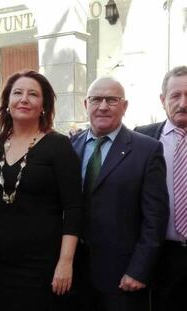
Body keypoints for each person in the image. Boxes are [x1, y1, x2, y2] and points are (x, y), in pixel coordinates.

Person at [0, 70, 82, 311]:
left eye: (33, 94)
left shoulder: (58, 146)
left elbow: (73, 208)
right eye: (17, 93)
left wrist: (65, 262)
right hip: (2, 264)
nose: (24, 99)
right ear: (8, 102)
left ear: (43, 106)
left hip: (44, 265)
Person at [71, 77, 169, 311]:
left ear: (124, 106)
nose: (103, 106)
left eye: (112, 100)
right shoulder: (70, 146)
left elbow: (155, 218)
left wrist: (139, 270)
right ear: (86, 105)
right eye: (96, 99)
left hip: (122, 277)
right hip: (75, 275)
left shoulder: (147, 149)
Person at [134, 66, 187, 311]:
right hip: (161, 255)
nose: (183, 103)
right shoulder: (141, 140)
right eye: (175, 96)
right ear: (163, 100)